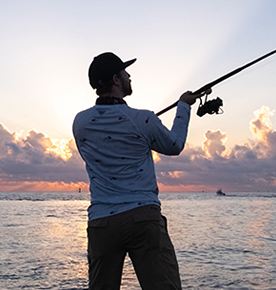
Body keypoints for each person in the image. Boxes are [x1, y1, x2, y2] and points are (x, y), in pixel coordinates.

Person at [74, 52, 200, 290]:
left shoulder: (79, 123)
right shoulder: (143, 120)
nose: (129, 75)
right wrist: (183, 106)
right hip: (143, 217)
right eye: (124, 71)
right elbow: (174, 145)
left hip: (101, 223)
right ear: (115, 79)